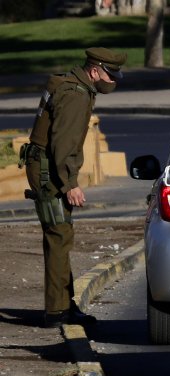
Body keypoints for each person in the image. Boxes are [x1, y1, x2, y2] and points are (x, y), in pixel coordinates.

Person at [21, 47, 127, 328]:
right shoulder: (75, 95)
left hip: (46, 166)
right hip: (49, 171)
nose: (112, 81)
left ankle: (65, 305)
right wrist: (70, 184)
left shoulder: (74, 86)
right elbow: (63, 143)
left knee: (61, 235)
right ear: (95, 71)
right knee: (58, 236)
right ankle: (57, 312)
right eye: (109, 75)